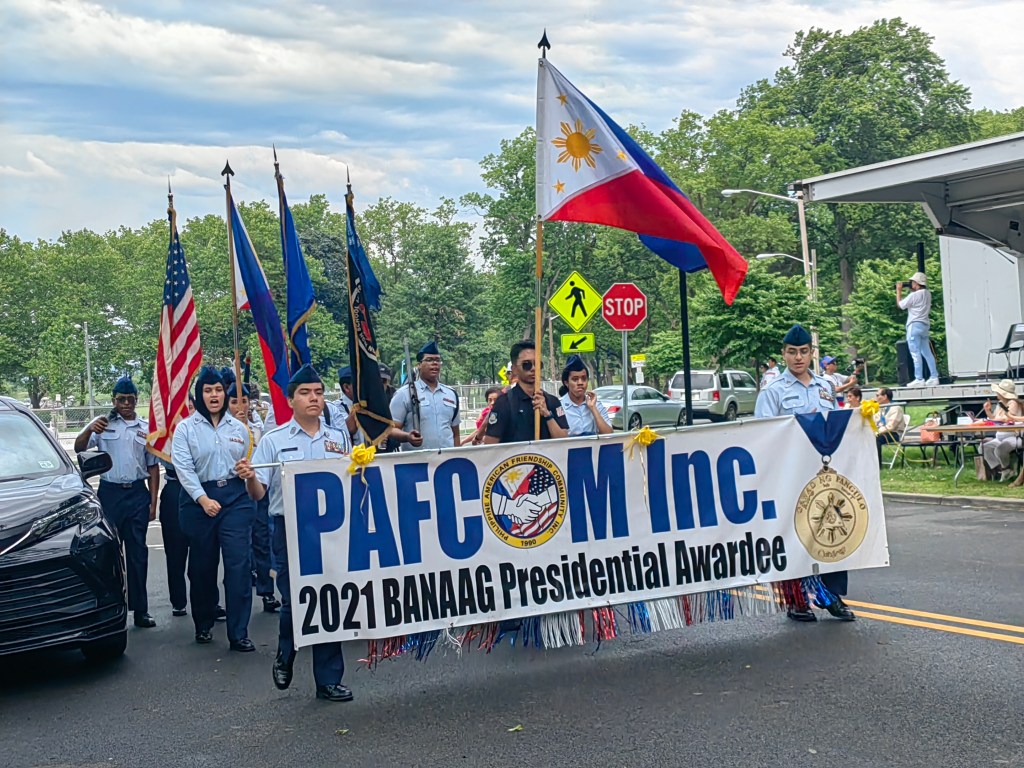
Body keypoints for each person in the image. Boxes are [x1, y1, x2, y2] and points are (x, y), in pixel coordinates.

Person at [237, 364, 354, 703]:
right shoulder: (274, 440)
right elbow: (258, 493)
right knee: (295, 599)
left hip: (331, 529)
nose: (313, 398)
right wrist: (249, 477)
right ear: (290, 400)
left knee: (330, 598)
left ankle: (329, 679)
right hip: (288, 527)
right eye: (305, 393)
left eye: (318, 392)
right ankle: (286, 651)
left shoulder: (338, 438)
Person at [754, 324, 855, 622]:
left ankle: (831, 595)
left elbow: (836, 424)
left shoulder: (825, 386)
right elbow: (762, 436)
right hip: (789, 476)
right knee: (794, 537)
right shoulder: (773, 391)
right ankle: (797, 600)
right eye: (792, 352)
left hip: (823, 475)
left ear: (812, 353)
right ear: (783, 354)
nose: (798, 357)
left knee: (831, 532)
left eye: (803, 351)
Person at [171, 366, 256, 650]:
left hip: (235, 499)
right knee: (202, 567)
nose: (214, 395)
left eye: (218, 390)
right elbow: (184, 469)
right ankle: (204, 622)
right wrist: (203, 499)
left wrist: (247, 471)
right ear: (200, 394)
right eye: (208, 390)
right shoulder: (186, 429)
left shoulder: (239, 428)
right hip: (199, 502)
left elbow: (248, 461)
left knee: (238, 565)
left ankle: (238, 632)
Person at [74, 376, 159, 628]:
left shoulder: (145, 428)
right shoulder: (103, 425)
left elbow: (153, 468)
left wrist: (153, 503)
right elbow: (79, 448)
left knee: (137, 554)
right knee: (109, 553)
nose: (126, 403)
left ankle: (141, 610)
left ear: (136, 400)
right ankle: (111, 609)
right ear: (114, 400)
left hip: (136, 493)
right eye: (121, 399)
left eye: (130, 399)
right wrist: (89, 429)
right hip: (110, 494)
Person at [228, 379, 280, 612]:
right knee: (241, 543)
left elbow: (261, 453)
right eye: (234, 402)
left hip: (258, 487)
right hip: (234, 491)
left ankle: (266, 591)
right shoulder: (223, 429)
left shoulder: (258, 427)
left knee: (262, 539)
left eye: (244, 401)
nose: (240, 406)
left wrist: (246, 430)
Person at [484, 340, 569, 444]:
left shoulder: (552, 401)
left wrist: (547, 415)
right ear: (514, 369)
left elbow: (564, 442)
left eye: (538, 364)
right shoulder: (504, 403)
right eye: (526, 364)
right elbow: (490, 445)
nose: (533, 368)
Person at [390, 341, 461, 451]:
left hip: (446, 458)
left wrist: (457, 455)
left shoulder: (451, 394)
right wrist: (407, 437)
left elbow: (455, 433)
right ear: (419, 365)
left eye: (437, 360)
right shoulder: (404, 394)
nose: (434, 363)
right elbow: (390, 429)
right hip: (418, 459)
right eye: (429, 360)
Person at [897, 271, 939, 387]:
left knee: (915, 353)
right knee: (927, 352)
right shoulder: (927, 294)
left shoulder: (913, 295)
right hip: (924, 325)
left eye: (912, 282)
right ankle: (934, 376)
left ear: (916, 283)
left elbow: (901, 305)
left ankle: (919, 378)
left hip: (914, 325)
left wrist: (899, 291)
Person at [980, 379, 1024, 482]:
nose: (996, 393)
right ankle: (1003, 469)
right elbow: (994, 418)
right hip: (1000, 436)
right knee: (983, 448)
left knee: (999, 449)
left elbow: (1007, 419)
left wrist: (991, 419)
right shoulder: (1001, 403)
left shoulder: (1012, 403)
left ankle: (1006, 469)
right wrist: (987, 411)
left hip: (1014, 436)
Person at [559, 355, 612, 436]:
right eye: (575, 379)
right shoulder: (559, 406)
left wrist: (593, 408)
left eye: (584, 379)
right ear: (566, 383)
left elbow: (609, 435)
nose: (580, 383)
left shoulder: (596, 404)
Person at [874, 387, 907, 466]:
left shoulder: (896, 408)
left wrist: (876, 432)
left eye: (877, 395)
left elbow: (891, 426)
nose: (876, 398)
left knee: (876, 439)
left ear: (885, 396)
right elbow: (875, 422)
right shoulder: (880, 407)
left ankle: (877, 465)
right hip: (881, 432)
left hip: (894, 434)